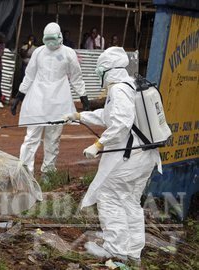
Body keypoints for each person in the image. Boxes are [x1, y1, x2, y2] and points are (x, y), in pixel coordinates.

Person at [64, 47, 161, 261]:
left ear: (109, 70)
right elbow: (109, 115)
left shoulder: (119, 90)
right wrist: (81, 116)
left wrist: (98, 144)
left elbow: (121, 123)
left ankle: (115, 249)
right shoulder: (130, 85)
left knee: (109, 197)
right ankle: (133, 252)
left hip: (129, 158)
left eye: (100, 69)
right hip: (143, 157)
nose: (99, 73)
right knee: (129, 201)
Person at [11, 22, 89, 175]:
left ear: (60, 36)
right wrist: (19, 96)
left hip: (58, 103)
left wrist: (84, 97)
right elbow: (29, 75)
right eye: (47, 40)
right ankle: (25, 173)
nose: (51, 43)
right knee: (31, 138)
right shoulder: (39, 52)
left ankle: (48, 174)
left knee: (52, 141)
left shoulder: (68, 53)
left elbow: (76, 78)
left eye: (53, 39)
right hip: (37, 101)